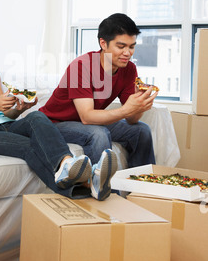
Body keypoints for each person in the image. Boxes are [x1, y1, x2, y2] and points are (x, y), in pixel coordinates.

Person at [0, 13, 117, 200]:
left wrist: (18, 108)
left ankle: (67, 163)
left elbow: (6, 113)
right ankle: (83, 186)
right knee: (31, 147)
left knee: (37, 116)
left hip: (7, 124)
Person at [39, 13, 158, 176]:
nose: (128, 53)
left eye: (131, 46)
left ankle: (141, 190)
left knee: (141, 130)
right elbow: (87, 117)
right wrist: (126, 110)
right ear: (103, 43)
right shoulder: (80, 66)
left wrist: (139, 103)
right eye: (121, 46)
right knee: (99, 133)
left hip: (86, 121)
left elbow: (132, 119)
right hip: (55, 123)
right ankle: (106, 192)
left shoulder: (128, 69)